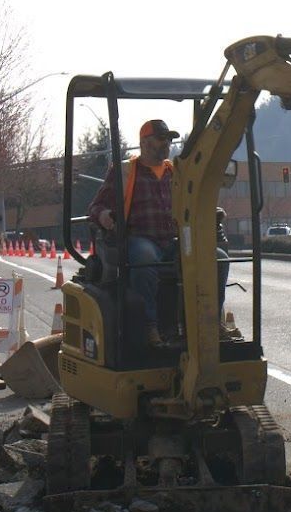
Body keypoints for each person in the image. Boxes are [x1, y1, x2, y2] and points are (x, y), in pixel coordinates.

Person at [86, 119, 235, 347]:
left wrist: (211, 212)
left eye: (169, 139)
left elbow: (192, 204)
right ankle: (149, 327)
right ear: (145, 142)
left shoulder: (176, 173)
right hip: (140, 238)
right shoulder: (125, 171)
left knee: (218, 258)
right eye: (161, 138)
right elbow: (95, 207)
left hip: (175, 240)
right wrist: (105, 215)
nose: (167, 144)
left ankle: (210, 323)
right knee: (145, 259)